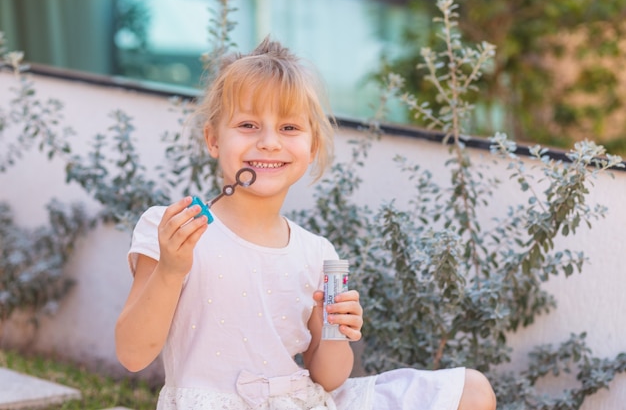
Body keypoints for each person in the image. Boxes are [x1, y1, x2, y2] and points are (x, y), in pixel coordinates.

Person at [115, 37, 496, 410]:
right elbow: (132, 354)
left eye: (289, 128)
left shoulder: (317, 253)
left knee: (472, 392)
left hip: (304, 400)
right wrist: (170, 269)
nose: (268, 142)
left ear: (312, 148)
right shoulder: (173, 230)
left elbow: (329, 378)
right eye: (248, 125)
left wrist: (337, 330)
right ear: (213, 139)